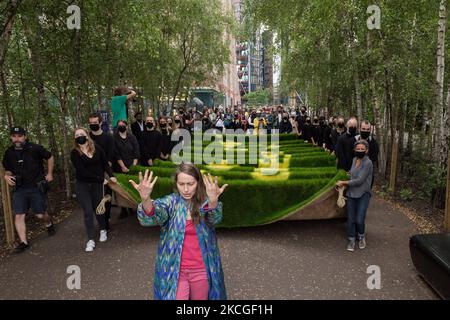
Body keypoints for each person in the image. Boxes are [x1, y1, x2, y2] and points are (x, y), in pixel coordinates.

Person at [133, 164, 228, 300]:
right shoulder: (170, 202)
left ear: (198, 183)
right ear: (176, 183)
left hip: (202, 269)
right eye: (181, 184)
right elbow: (154, 216)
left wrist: (213, 202)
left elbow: (214, 219)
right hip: (174, 270)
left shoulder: (204, 203)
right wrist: (146, 199)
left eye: (190, 184)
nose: (186, 189)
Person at [2, 127, 55, 253]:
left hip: (36, 186)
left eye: (19, 136)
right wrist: (6, 175)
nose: (17, 139)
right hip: (20, 188)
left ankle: (48, 223)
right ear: (11, 138)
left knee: (40, 214)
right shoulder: (9, 153)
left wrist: (50, 173)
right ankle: (23, 242)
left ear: (25, 136)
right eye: (14, 136)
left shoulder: (34, 148)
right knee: (19, 215)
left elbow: (50, 157)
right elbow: (8, 168)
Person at [71, 128, 117, 252]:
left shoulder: (97, 148)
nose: (80, 136)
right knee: (87, 211)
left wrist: (111, 175)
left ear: (87, 135)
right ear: (75, 138)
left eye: (82, 134)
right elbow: (82, 171)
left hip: (97, 185)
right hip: (83, 185)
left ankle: (103, 229)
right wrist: (100, 179)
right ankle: (90, 239)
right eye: (77, 135)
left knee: (99, 208)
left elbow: (105, 163)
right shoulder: (75, 153)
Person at [336, 140, 373, 252]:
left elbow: (360, 180)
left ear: (366, 150)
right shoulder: (354, 160)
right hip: (351, 193)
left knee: (359, 219)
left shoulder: (368, 163)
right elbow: (353, 174)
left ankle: (361, 236)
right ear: (355, 150)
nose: (360, 151)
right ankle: (351, 239)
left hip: (363, 193)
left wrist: (344, 182)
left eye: (362, 149)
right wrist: (346, 175)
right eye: (358, 149)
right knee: (351, 219)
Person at [89, 113, 114, 231]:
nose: (93, 125)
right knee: (94, 198)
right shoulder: (87, 137)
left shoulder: (108, 137)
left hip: (105, 171)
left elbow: (110, 156)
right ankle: (100, 219)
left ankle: (106, 219)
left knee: (106, 197)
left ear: (100, 123)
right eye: (91, 123)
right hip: (91, 173)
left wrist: (106, 171)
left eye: (95, 123)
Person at [113, 120, 140, 219]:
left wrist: (133, 166)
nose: (121, 126)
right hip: (120, 167)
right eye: (119, 125)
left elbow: (137, 150)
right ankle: (123, 209)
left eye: (123, 125)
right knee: (121, 188)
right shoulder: (114, 138)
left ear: (127, 126)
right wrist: (123, 166)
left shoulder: (132, 137)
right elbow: (116, 153)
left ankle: (133, 207)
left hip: (133, 165)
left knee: (132, 186)